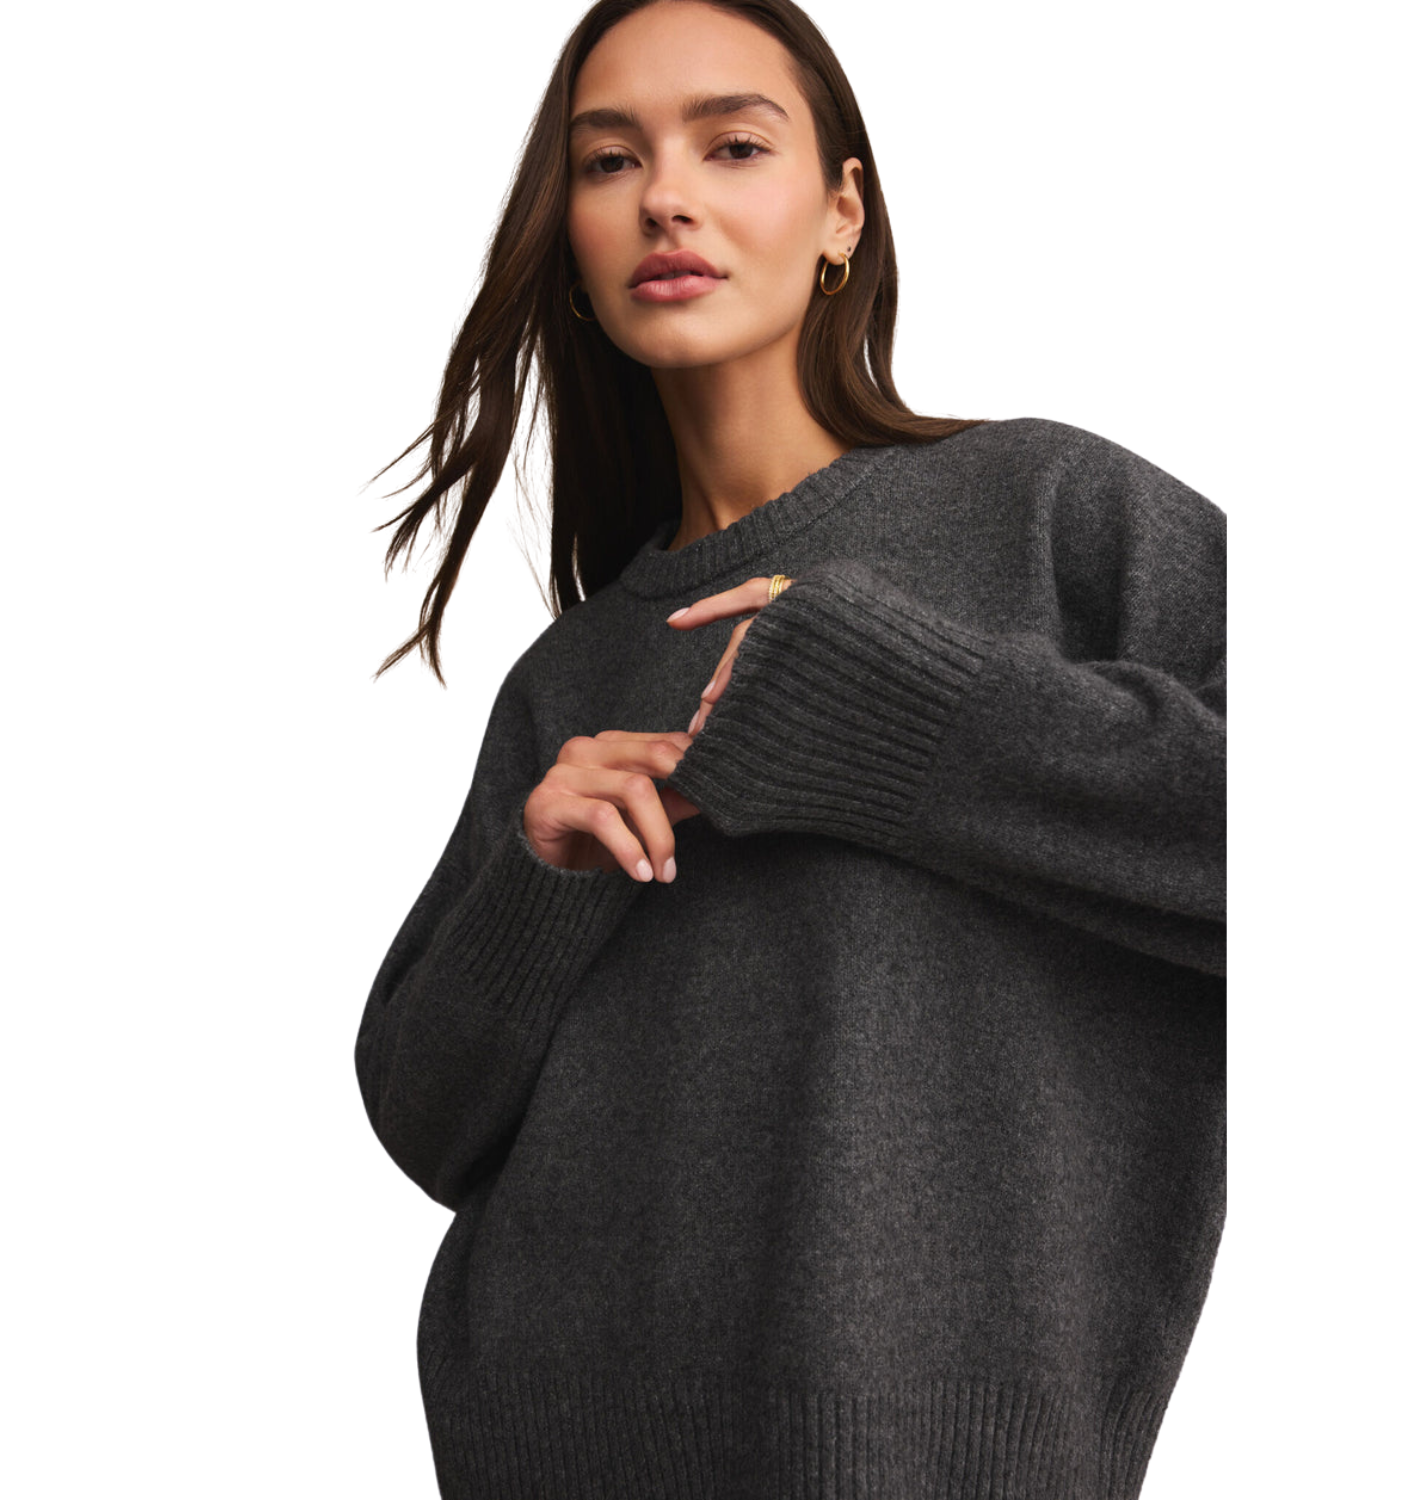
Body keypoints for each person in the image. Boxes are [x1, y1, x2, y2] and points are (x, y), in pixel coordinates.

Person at [353, 1, 1227, 1495]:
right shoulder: (565, 680)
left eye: (733, 145)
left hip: (942, 1455)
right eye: (609, 161)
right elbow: (427, 1124)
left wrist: (901, 706)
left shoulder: (1054, 513)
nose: (665, 197)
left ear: (841, 213)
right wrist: (536, 888)